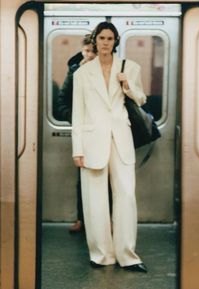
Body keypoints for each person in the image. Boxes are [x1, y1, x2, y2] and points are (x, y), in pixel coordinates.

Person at [72, 22, 147, 273]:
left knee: (126, 195)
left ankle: (128, 255)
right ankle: (101, 254)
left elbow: (141, 99)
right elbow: (78, 113)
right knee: (94, 200)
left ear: (116, 41)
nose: (105, 42)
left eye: (110, 38)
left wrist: (127, 85)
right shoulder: (82, 73)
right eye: (101, 38)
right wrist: (77, 149)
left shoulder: (130, 67)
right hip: (92, 140)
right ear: (95, 41)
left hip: (121, 138)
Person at [56, 34, 96, 232]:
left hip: (104, 131)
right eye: (87, 51)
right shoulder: (74, 72)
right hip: (83, 131)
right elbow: (61, 101)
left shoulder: (109, 70)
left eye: (93, 52)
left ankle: (108, 220)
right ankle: (82, 219)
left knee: (108, 177)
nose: (89, 55)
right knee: (83, 177)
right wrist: (76, 118)